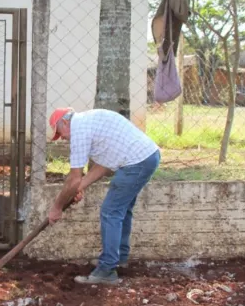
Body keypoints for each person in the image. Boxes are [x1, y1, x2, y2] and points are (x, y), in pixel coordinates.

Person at [47, 107, 160, 286]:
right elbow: (102, 166)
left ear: (66, 123)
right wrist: (79, 188)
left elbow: (73, 178)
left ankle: (107, 269)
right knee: (122, 210)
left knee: (111, 212)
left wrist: (57, 207)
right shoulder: (89, 122)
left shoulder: (79, 131)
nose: (62, 138)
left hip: (136, 162)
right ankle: (118, 258)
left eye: (59, 133)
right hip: (148, 156)